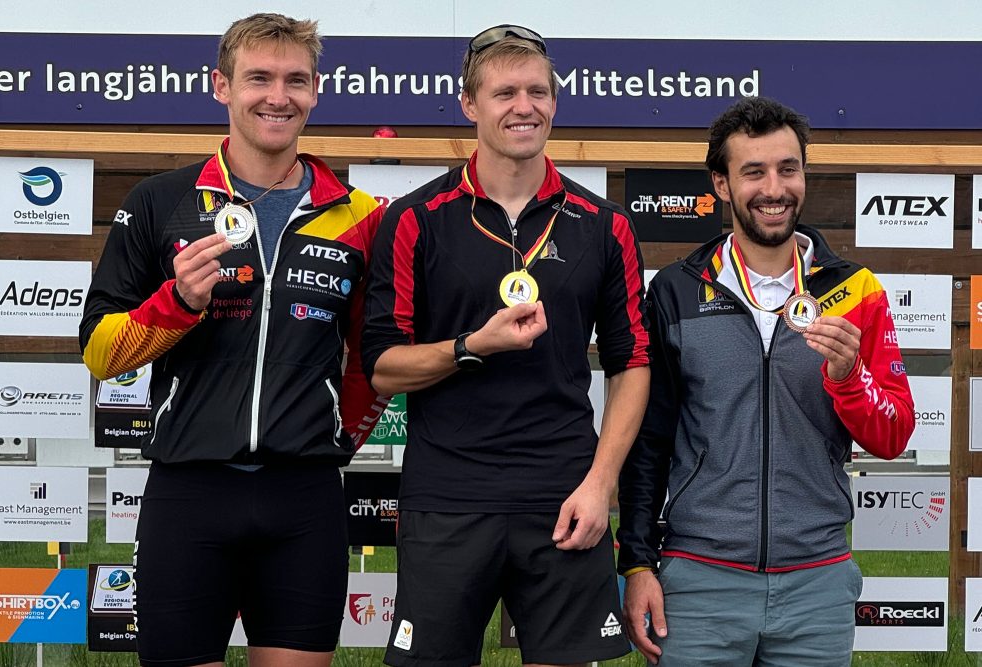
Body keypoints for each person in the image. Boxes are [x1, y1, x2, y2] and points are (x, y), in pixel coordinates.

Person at [80, 13, 386, 667]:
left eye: (295, 80)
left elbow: (372, 359)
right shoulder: (162, 200)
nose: (278, 96)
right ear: (221, 86)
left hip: (303, 497)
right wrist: (178, 302)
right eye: (259, 78)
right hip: (189, 490)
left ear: (315, 90)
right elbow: (101, 352)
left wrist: (334, 439)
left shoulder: (360, 216)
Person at [361, 24, 650, 667]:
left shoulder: (605, 225)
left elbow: (632, 362)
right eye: (505, 93)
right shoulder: (415, 218)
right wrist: (471, 346)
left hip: (564, 493)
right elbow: (382, 369)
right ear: (469, 104)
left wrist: (601, 485)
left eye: (538, 92)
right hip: (447, 496)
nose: (525, 107)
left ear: (555, 101)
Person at [617, 96, 915, 666]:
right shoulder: (676, 290)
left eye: (788, 169)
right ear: (722, 185)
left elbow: (894, 434)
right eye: (753, 172)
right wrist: (636, 562)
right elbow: (648, 440)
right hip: (700, 580)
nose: (774, 188)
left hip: (816, 583)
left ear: (805, 174)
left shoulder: (856, 291)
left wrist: (850, 377)